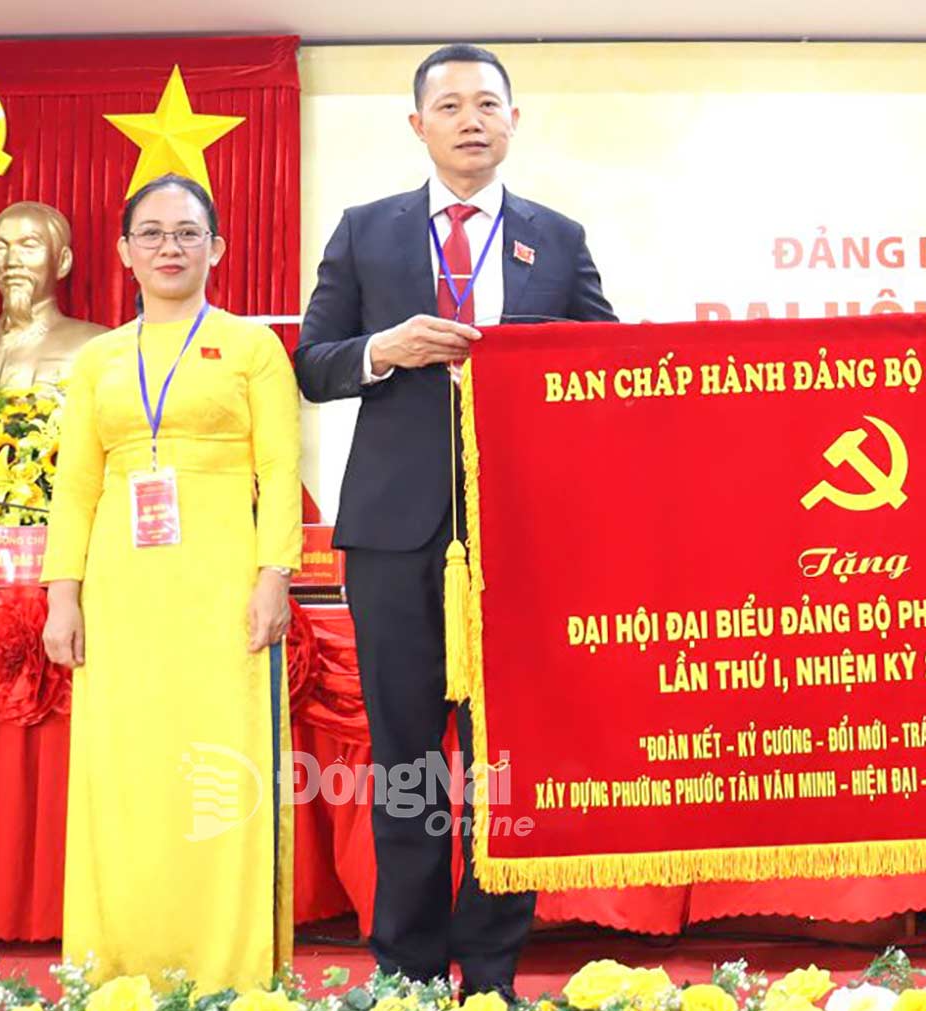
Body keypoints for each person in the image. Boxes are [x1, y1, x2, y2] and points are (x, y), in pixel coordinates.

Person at [293, 43, 616, 996]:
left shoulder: (556, 237)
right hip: (395, 538)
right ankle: (409, 966)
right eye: (452, 105)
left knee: (506, 764)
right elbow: (312, 363)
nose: (472, 119)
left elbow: (606, 370)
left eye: (489, 104)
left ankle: (492, 967)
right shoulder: (367, 231)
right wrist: (381, 350)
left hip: (518, 535)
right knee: (405, 759)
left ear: (515, 122)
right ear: (418, 125)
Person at [40, 173, 301, 990]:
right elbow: (76, 482)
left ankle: (233, 969)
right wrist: (63, 593)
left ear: (216, 248)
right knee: (126, 776)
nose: (169, 247)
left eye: (187, 232)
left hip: (223, 586)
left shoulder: (252, 346)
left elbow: (280, 466)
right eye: (151, 234)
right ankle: (117, 967)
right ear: (123, 253)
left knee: (218, 768)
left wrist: (273, 576)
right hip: (122, 593)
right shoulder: (99, 360)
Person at [0, 201, 107, 397]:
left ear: (62, 261)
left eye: (29, 246)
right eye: (1, 248)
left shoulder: (96, 345)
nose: (11, 261)